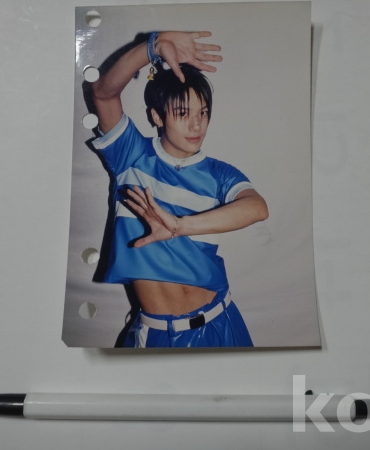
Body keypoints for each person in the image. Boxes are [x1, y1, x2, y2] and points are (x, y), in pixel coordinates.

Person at [89, 30, 268, 348]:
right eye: (183, 113)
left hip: (222, 321)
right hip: (159, 335)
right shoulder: (131, 155)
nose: (197, 125)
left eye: (203, 113)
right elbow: (103, 93)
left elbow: (257, 208)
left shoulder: (218, 174)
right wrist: (152, 47)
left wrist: (178, 226)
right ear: (157, 117)